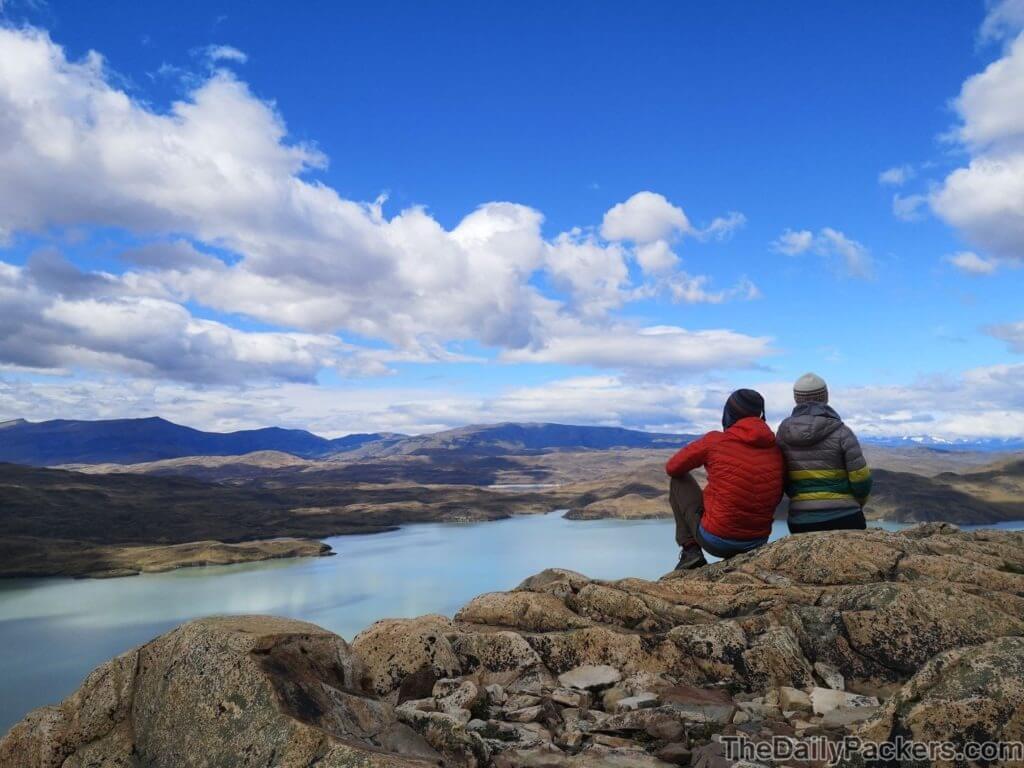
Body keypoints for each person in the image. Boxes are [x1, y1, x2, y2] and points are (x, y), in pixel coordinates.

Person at [665, 389, 785, 569]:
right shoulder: (775, 448)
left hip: (717, 540)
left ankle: (691, 551)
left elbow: (673, 467)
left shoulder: (716, 441)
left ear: (729, 413)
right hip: (757, 541)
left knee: (678, 480)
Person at [776, 373, 872, 533]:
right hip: (846, 517)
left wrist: (799, 499)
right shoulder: (842, 432)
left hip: (801, 520)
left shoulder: (783, 433)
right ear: (825, 397)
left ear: (796, 399)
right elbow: (861, 479)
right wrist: (856, 503)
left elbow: (781, 477)